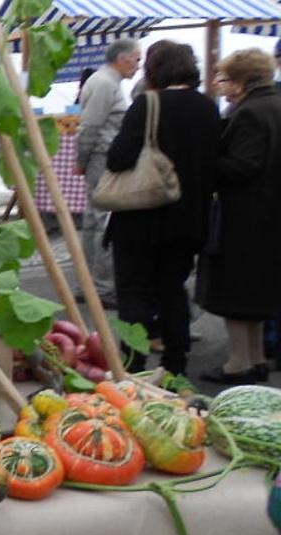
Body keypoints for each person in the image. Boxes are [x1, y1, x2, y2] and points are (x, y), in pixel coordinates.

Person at [104, 41, 220, 376]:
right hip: (189, 217)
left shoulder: (147, 103)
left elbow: (119, 157)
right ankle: (175, 366)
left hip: (142, 215)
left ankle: (134, 362)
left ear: (154, 68)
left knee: (134, 292)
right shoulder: (208, 107)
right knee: (173, 289)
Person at [195, 48, 281, 384]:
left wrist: (206, 164)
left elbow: (244, 165)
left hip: (246, 216)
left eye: (226, 78)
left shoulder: (250, 113)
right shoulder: (274, 105)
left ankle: (238, 362)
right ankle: (257, 358)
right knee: (257, 294)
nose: (220, 84)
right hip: (270, 214)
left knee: (236, 294)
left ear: (243, 80)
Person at [75, 38, 142, 308]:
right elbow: (90, 127)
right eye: (136, 60)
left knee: (94, 221)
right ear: (123, 58)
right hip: (102, 158)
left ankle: (89, 284)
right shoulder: (105, 83)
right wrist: (82, 159)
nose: (138, 66)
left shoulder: (106, 81)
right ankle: (101, 286)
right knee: (103, 220)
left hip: (100, 157)